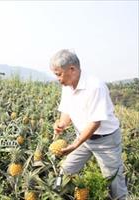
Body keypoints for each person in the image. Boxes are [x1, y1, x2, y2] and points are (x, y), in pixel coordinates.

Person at [50, 49, 128, 199]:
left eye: (58, 74)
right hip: (83, 138)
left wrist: (74, 145)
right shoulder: (66, 86)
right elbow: (67, 110)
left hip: (106, 141)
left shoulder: (95, 87)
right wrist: (61, 123)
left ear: (72, 69)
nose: (57, 78)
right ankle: (55, 193)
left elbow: (95, 122)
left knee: (114, 182)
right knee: (64, 170)